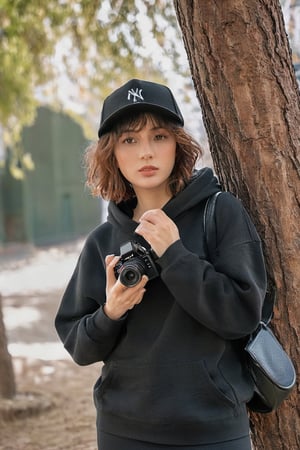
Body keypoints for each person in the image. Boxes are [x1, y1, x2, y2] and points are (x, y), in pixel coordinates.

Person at [55, 79, 267, 449]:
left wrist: (175, 254)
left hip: (213, 430)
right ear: (113, 154)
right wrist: (111, 312)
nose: (146, 153)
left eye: (159, 137)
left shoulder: (219, 213)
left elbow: (243, 316)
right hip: (123, 432)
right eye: (130, 140)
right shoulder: (102, 242)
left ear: (177, 144)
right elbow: (80, 347)